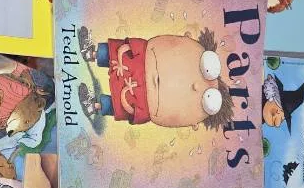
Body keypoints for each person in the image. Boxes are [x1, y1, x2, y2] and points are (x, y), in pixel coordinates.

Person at [77, 26, 234, 132]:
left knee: (118, 104)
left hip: (143, 101)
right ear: (187, 38)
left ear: (194, 125)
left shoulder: (193, 112)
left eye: (208, 98)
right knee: (118, 53)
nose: (196, 87)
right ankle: (91, 53)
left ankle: (93, 106)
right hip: (142, 60)